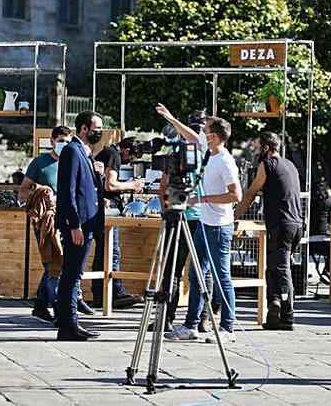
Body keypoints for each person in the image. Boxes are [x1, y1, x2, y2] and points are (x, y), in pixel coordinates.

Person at [157, 104, 241, 343]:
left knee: (221, 274)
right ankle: (191, 325)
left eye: (205, 130)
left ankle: (228, 326)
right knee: (196, 274)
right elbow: (189, 135)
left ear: (213, 136)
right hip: (204, 223)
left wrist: (203, 198)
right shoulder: (208, 151)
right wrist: (171, 118)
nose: (201, 132)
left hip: (218, 226)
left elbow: (236, 195)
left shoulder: (225, 161)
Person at [235, 131, 303, 330]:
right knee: (272, 266)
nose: (255, 151)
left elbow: (251, 193)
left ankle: (288, 316)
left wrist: (234, 216)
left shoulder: (267, 164)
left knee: (282, 270)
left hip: (281, 225)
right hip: (296, 224)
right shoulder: (289, 165)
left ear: (266, 148)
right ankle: (274, 310)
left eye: (257, 147)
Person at [19, 126, 87, 322]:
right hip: (46, 220)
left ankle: (41, 305)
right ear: (52, 141)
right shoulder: (40, 163)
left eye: (67, 141)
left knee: (60, 263)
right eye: (61, 140)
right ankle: (58, 307)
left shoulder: (74, 161)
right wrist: (39, 191)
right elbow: (22, 192)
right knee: (53, 262)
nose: (64, 144)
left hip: (69, 218)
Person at [157, 111, 215, 333]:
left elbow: (163, 185)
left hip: (181, 214)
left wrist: (165, 209)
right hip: (201, 216)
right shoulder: (210, 153)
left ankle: (167, 316)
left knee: (172, 268)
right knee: (203, 271)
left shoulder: (175, 153)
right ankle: (204, 318)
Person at [54, 111, 106, 341]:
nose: (99, 133)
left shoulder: (84, 152)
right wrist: (74, 224)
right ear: (84, 129)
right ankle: (68, 324)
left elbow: (86, 189)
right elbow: (67, 191)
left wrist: (99, 178)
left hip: (88, 222)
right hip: (79, 225)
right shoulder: (72, 151)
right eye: (96, 128)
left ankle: (71, 322)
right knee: (72, 275)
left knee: (75, 273)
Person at [92, 136, 145, 310]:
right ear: (126, 151)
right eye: (130, 159)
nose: (129, 161)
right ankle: (117, 293)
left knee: (103, 252)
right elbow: (110, 186)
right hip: (108, 208)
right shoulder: (113, 154)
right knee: (112, 251)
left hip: (100, 208)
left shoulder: (108, 152)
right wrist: (132, 185)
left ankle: (100, 294)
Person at [308, 180, 331, 283]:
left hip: (309, 243)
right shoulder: (329, 203)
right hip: (324, 242)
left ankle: (301, 273)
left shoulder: (308, 204)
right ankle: (327, 272)